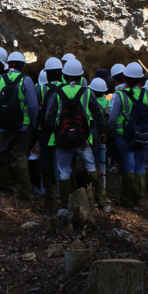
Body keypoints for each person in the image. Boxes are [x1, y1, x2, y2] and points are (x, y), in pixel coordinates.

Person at [44, 60, 108, 211]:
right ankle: (102, 201)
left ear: (64, 76)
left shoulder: (57, 93)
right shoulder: (87, 92)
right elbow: (98, 116)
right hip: (82, 138)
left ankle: (65, 206)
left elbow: (48, 118)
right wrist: (101, 133)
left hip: (62, 139)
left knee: (64, 170)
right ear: (80, 77)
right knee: (91, 165)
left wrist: (58, 131)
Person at [108, 62, 148, 208]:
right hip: (143, 134)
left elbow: (112, 118)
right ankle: (139, 197)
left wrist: (113, 131)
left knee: (129, 165)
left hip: (124, 135)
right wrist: (147, 127)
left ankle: (127, 199)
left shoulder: (120, 95)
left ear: (126, 77)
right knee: (140, 165)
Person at [0, 51, 39, 200]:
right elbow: (32, 106)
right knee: (21, 156)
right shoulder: (26, 80)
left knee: (2, 153)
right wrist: (33, 123)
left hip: (4, 125)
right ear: (22, 66)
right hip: (23, 126)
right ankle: (24, 191)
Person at [37, 57, 63, 204]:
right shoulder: (66, 88)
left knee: (46, 159)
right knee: (61, 159)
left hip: (44, 129)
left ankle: (50, 191)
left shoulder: (41, 89)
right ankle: (62, 190)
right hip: (60, 129)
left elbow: (35, 108)